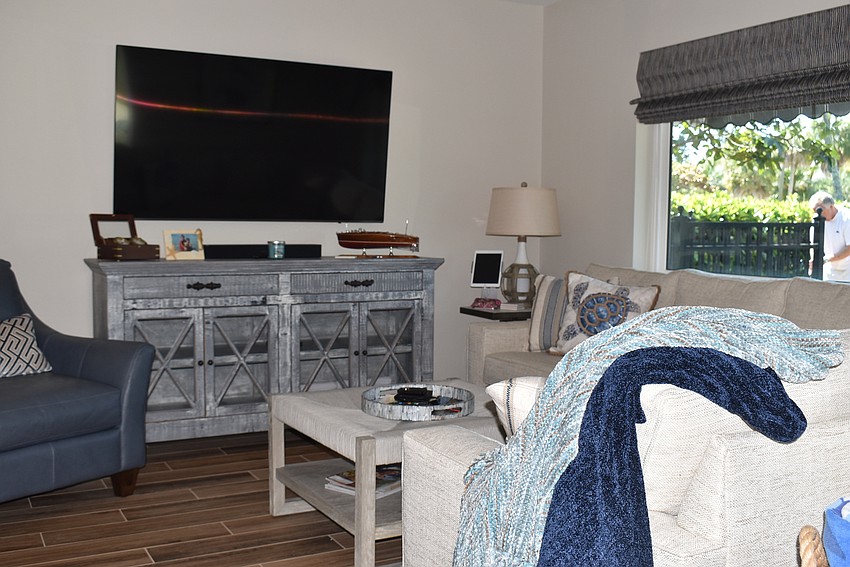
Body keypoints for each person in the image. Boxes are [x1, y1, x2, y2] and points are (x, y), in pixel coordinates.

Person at [809, 191, 850, 281]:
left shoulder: (847, 218)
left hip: (848, 272)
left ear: (831, 206)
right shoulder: (816, 220)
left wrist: (827, 259)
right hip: (828, 272)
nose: (817, 214)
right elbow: (814, 244)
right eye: (814, 211)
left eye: (820, 210)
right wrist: (813, 260)